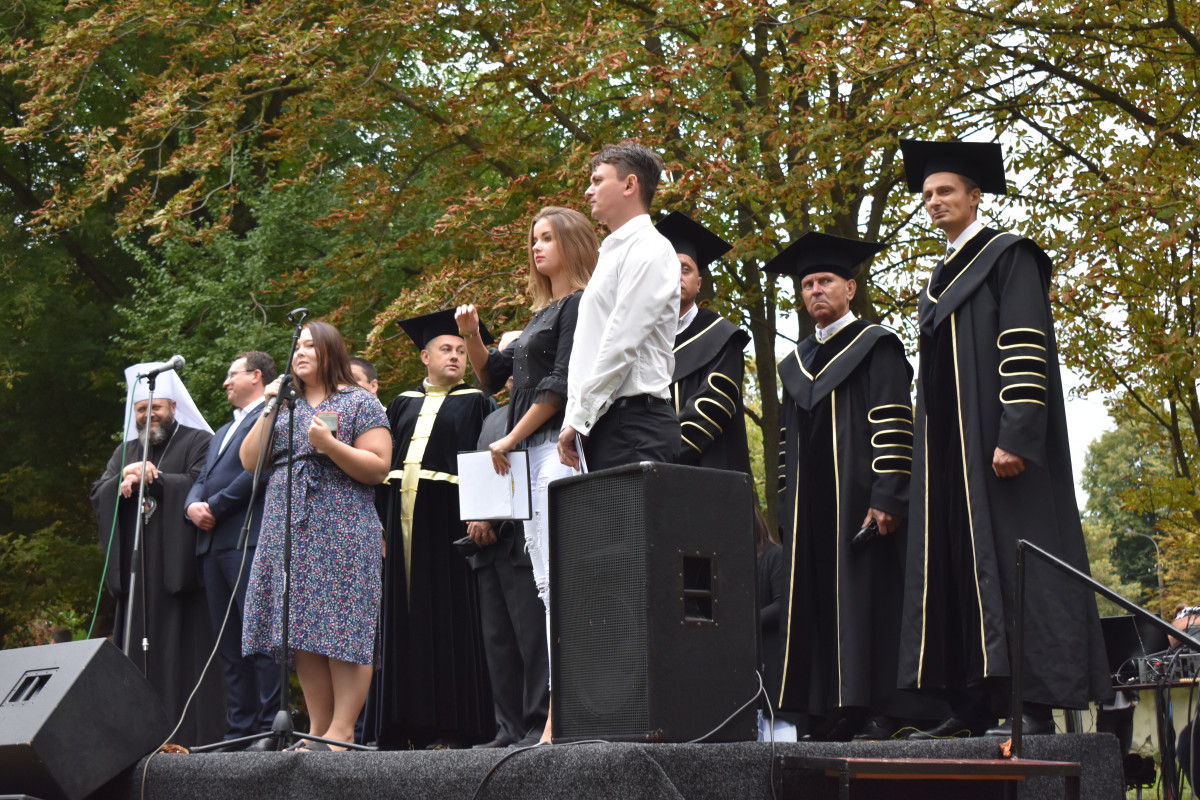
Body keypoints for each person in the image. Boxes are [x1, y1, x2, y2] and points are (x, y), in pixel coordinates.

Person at [896, 139, 1111, 739]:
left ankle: (1033, 706)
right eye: (927, 194)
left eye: (946, 191)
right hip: (950, 454)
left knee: (1020, 566)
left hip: (997, 448)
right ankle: (973, 706)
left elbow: (1024, 344)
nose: (934, 201)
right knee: (957, 566)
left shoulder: (1008, 256)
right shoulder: (940, 277)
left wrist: (1015, 433)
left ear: (975, 197)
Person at [767, 231, 934, 741]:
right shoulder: (796, 363)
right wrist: (786, 507)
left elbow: (894, 423)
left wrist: (888, 496)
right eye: (807, 284)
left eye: (826, 281)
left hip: (863, 505)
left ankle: (886, 709)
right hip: (810, 512)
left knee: (873, 601)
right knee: (818, 603)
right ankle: (834, 710)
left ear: (850, 288)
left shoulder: (877, 347)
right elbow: (785, 446)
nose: (816, 290)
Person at [456, 205, 597, 744]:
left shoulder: (580, 304)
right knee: (542, 582)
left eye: (547, 238)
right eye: (533, 239)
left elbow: (560, 385)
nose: (536, 247)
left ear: (572, 243)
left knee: (560, 580)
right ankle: (558, 713)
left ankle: (564, 713)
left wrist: (510, 438)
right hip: (525, 453)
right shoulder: (540, 314)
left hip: (555, 449)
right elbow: (493, 376)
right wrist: (472, 334)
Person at [239, 321, 391, 751]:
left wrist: (329, 444)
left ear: (331, 351)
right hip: (287, 528)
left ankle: (343, 730)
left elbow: (379, 467)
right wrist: (269, 406)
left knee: (343, 623)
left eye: (310, 345)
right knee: (302, 627)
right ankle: (319, 728)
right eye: (297, 346)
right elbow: (250, 462)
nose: (300, 352)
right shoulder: (284, 405)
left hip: (342, 525)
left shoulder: (358, 400)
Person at [371, 309, 497, 749]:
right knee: (404, 620)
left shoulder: (478, 403)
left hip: (450, 522)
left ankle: (455, 726)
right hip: (400, 524)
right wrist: (379, 524)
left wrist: (484, 513)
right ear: (425, 356)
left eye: (462, 350)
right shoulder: (400, 404)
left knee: (448, 618)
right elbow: (383, 467)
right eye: (446, 349)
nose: (456, 356)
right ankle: (404, 726)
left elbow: (488, 462)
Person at [89, 365, 224, 747]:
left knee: (184, 656)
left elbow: (203, 486)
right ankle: (137, 738)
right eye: (141, 410)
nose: (148, 415)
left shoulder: (198, 441)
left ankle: (190, 736)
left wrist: (157, 479)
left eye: (156, 408)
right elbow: (100, 492)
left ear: (173, 408)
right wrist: (126, 477)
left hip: (178, 571)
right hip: (138, 572)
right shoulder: (126, 450)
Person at [558, 141, 680, 471]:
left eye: (598, 180)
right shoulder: (611, 254)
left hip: (635, 426)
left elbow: (621, 341)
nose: (588, 191)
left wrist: (580, 418)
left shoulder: (650, 248)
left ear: (630, 185)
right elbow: (589, 349)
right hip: (606, 424)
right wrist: (577, 418)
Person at [184, 351, 282, 750]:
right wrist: (191, 506)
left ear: (256, 376)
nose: (225, 382)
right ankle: (239, 731)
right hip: (211, 545)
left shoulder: (272, 416)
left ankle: (269, 729)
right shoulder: (223, 430)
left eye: (232, 374)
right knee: (228, 645)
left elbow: (261, 469)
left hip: (247, 539)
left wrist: (216, 505)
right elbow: (202, 477)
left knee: (259, 638)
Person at [463, 383, 551, 749]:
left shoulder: (548, 414)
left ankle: (538, 723)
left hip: (525, 543)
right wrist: (476, 514)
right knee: (498, 641)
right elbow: (481, 472)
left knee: (533, 640)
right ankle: (508, 727)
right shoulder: (493, 419)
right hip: (489, 544)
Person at [656, 211, 752, 473]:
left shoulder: (722, 337)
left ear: (698, 284)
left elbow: (712, 407)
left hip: (709, 472)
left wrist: (661, 453)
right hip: (652, 476)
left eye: (685, 269)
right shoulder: (642, 341)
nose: (677, 275)